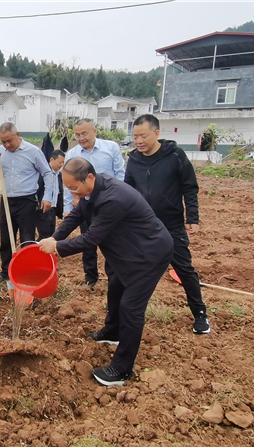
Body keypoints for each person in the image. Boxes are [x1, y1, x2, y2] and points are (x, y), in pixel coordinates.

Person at [39, 158, 173, 386]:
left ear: (89, 178)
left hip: (149, 254)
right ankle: (112, 332)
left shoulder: (114, 198)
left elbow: (92, 238)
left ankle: (121, 369)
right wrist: (54, 237)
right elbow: (75, 217)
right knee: (116, 290)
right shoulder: (90, 192)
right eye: (68, 188)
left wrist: (58, 248)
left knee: (131, 308)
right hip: (126, 252)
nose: (72, 192)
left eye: (74, 188)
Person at [125, 114, 210, 334]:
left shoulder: (175, 156)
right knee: (132, 267)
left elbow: (190, 187)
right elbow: (129, 192)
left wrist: (192, 217)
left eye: (143, 136)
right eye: (135, 137)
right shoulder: (133, 160)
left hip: (171, 225)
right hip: (143, 226)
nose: (139, 141)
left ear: (156, 133)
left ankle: (200, 314)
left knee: (184, 269)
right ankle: (126, 308)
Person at [0, 122, 55, 284]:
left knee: (27, 239)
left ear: (18, 135)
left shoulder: (33, 152)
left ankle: (26, 272)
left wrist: (47, 197)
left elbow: (48, 173)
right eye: (3, 142)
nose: (6, 145)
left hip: (27, 201)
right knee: (6, 238)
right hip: (6, 200)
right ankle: (6, 272)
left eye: (9, 140)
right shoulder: (0, 151)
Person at [64, 119, 126, 289]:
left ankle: (115, 277)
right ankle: (91, 277)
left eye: (84, 133)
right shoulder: (72, 154)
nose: (81, 137)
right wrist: (67, 208)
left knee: (112, 242)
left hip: (111, 204)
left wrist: (118, 198)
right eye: (77, 134)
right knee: (88, 241)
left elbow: (120, 174)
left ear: (94, 131)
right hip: (86, 204)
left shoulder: (111, 148)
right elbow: (68, 184)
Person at [36, 150, 65, 240]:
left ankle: (48, 253)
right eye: (60, 162)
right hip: (43, 208)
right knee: (45, 234)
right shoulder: (42, 174)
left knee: (52, 232)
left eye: (63, 162)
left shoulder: (58, 175)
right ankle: (40, 252)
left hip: (53, 208)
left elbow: (59, 192)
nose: (61, 165)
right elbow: (38, 190)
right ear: (52, 159)